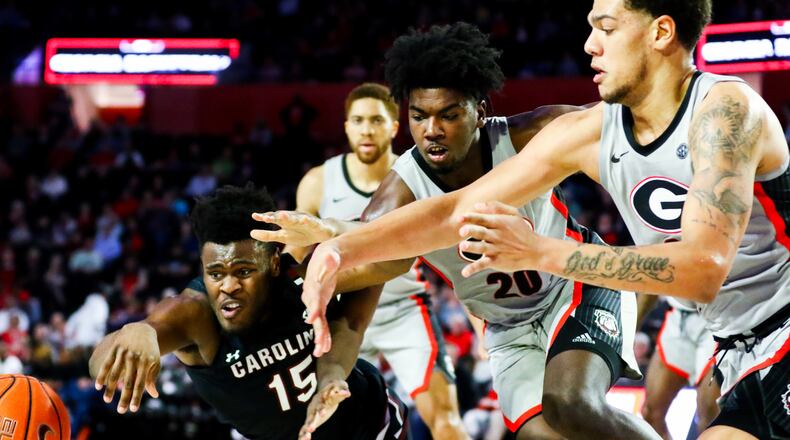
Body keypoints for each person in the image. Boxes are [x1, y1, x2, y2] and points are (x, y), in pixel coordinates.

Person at [299, 1, 790, 439]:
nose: (589, 44)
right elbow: (453, 210)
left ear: (660, 33)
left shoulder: (724, 111)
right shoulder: (590, 129)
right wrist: (340, 246)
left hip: (778, 327)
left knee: (571, 402)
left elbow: (703, 269)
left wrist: (539, 251)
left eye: (607, 27)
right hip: (733, 344)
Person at [254, 22, 658, 439]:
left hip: (576, 286)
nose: (432, 130)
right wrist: (310, 259)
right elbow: (366, 258)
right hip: (507, 329)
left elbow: (620, 123)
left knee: (572, 405)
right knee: (542, 434)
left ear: (479, 111)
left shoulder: (526, 136)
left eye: (448, 115)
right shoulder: (402, 190)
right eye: (419, 116)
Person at [89, 184, 408, 440]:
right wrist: (138, 331)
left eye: (243, 272)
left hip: (369, 424)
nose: (228, 286)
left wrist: (335, 232)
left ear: (272, 263)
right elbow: (98, 362)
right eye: (215, 273)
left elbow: (394, 255)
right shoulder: (194, 314)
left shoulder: (303, 275)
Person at [292, 82, 466, 439]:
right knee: (321, 420)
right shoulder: (318, 181)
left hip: (404, 307)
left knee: (447, 421)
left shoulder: (417, 174)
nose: (366, 129)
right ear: (345, 127)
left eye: (376, 120)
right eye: (357, 120)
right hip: (340, 312)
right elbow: (297, 260)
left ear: (394, 126)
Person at [637, 295, 720, 438]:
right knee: (650, 412)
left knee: (709, 416)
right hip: (678, 317)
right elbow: (654, 276)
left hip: (721, 318)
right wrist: (632, 327)